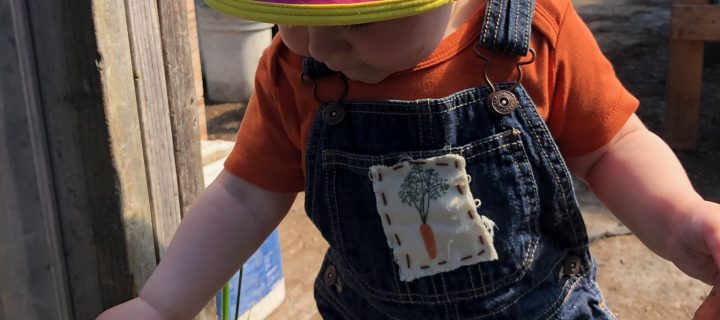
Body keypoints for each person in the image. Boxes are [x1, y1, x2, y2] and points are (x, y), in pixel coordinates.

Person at [98, 0, 720, 318]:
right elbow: (243, 195)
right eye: (291, 15)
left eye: (363, 19)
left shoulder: (529, 35)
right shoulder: (296, 72)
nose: (319, 43)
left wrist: (681, 219)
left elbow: (611, 147)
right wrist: (162, 303)